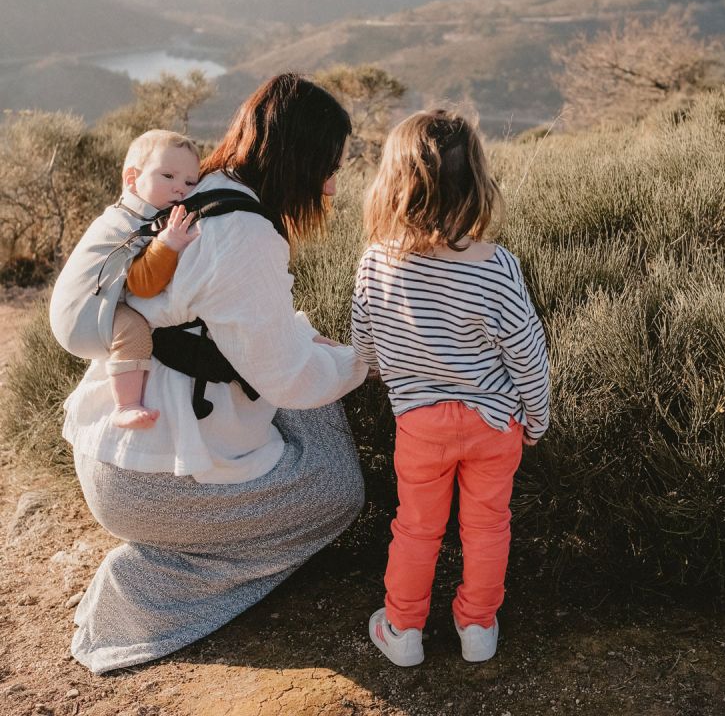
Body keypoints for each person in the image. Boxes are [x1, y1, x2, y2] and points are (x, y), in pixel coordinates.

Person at [62, 73, 368, 674]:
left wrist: (306, 340)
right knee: (339, 493)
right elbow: (289, 378)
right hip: (151, 486)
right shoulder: (247, 234)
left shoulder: (208, 188)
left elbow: (234, 320)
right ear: (298, 160)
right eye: (326, 168)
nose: (331, 187)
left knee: (315, 380)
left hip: (112, 449)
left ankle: (179, 548)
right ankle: (151, 585)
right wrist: (364, 360)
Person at [351, 110, 550, 666]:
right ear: (474, 183)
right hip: (494, 423)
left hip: (420, 424)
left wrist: (375, 370)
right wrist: (537, 418)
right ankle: (478, 627)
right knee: (487, 527)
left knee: (416, 527)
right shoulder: (497, 265)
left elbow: (364, 344)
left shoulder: (375, 264)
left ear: (395, 182)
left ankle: (404, 629)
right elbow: (527, 354)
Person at [50, 130, 200, 430]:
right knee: (134, 331)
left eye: (189, 182)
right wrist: (168, 245)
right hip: (82, 318)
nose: (179, 189)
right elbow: (143, 284)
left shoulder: (129, 213)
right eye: (168, 176)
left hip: (78, 310)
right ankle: (126, 405)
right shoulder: (133, 224)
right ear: (132, 180)